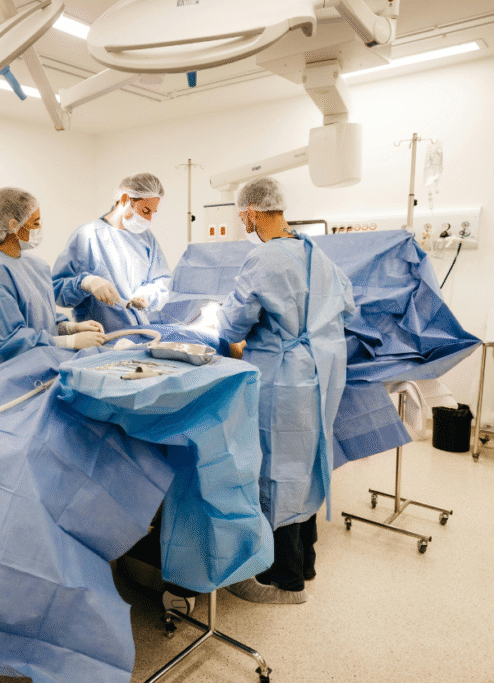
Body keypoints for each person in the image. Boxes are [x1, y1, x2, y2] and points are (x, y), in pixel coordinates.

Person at [214, 177, 356, 604]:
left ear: (252, 214)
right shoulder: (317, 253)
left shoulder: (264, 258)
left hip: (286, 377)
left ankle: (285, 578)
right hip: (325, 370)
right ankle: (305, 561)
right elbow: (347, 305)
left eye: (243, 218)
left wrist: (230, 327)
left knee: (277, 469)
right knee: (308, 461)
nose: (244, 224)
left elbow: (233, 323)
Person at [0, 187, 105, 375]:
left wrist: (70, 328)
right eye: (35, 223)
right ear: (14, 225)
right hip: (9, 378)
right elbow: (7, 342)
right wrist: (68, 342)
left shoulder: (36, 266)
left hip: (42, 368)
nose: (39, 229)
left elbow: (40, 323)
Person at [52, 173, 172, 332]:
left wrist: (147, 294)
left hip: (141, 334)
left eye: (152, 213)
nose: (149, 219)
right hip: (100, 336)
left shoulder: (146, 238)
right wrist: (87, 282)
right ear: (124, 200)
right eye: (145, 211)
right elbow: (57, 289)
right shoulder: (87, 236)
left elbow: (161, 279)